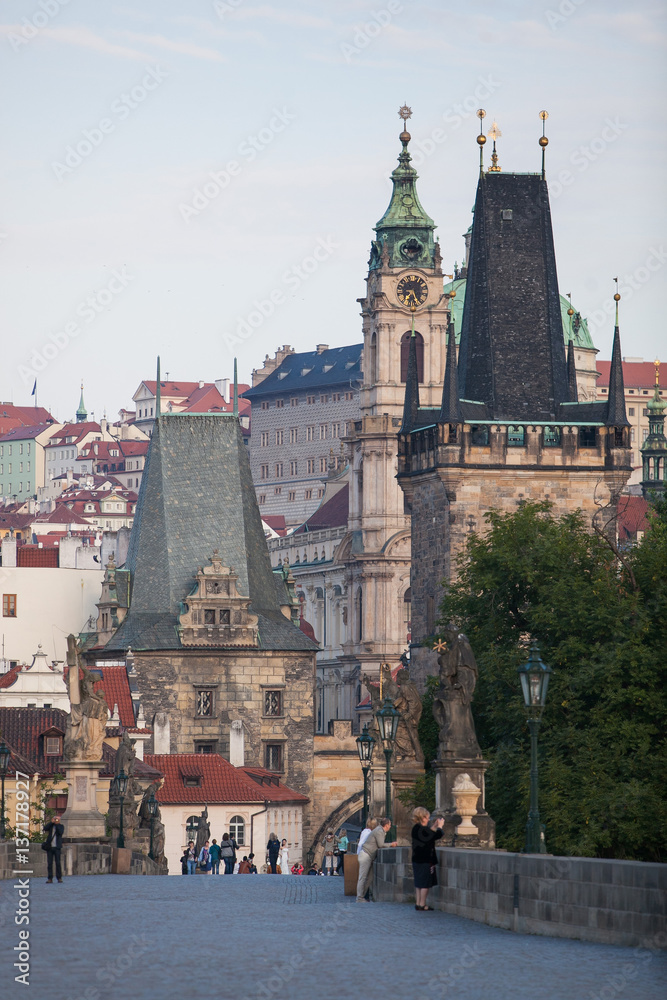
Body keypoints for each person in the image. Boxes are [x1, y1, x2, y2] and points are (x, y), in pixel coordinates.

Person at [356, 817, 397, 902]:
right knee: (362, 878)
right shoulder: (379, 831)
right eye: (389, 825)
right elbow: (381, 844)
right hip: (366, 855)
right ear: (386, 825)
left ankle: (362, 896)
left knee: (370, 878)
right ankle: (359, 898)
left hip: (369, 856)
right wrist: (391, 844)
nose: (390, 827)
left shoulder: (380, 830)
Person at [411, 807, 445, 910]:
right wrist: (439, 827)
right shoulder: (423, 830)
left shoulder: (416, 828)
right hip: (425, 859)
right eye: (428, 817)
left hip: (416, 859)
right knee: (425, 883)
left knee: (418, 883)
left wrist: (434, 826)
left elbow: (427, 835)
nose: (429, 819)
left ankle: (418, 903)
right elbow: (436, 835)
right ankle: (422, 904)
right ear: (423, 817)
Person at [43, 814, 64, 883]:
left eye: (57, 819)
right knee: (49, 863)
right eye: (55, 819)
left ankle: (59, 877)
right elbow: (45, 828)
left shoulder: (61, 826)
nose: (56, 820)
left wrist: (57, 824)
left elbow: (60, 832)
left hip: (57, 847)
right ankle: (50, 878)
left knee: (58, 863)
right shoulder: (51, 826)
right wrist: (51, 822)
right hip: (50, 847)